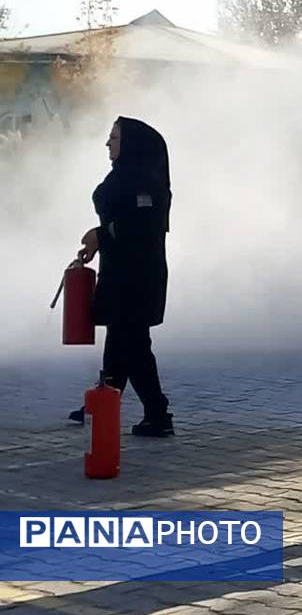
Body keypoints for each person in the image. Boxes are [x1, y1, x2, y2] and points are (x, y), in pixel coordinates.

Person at [70, 116, 174, 437]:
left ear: (131, 145)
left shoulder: (147, 184)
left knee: (133, 344)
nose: (108, 144)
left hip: (137, 278)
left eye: (114, 138)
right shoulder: (125, 177)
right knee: (120, 339)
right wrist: (99, 241)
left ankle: (157, 414)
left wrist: (101, 235)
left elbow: (141, 229)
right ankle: (104, 401)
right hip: (121, 274)